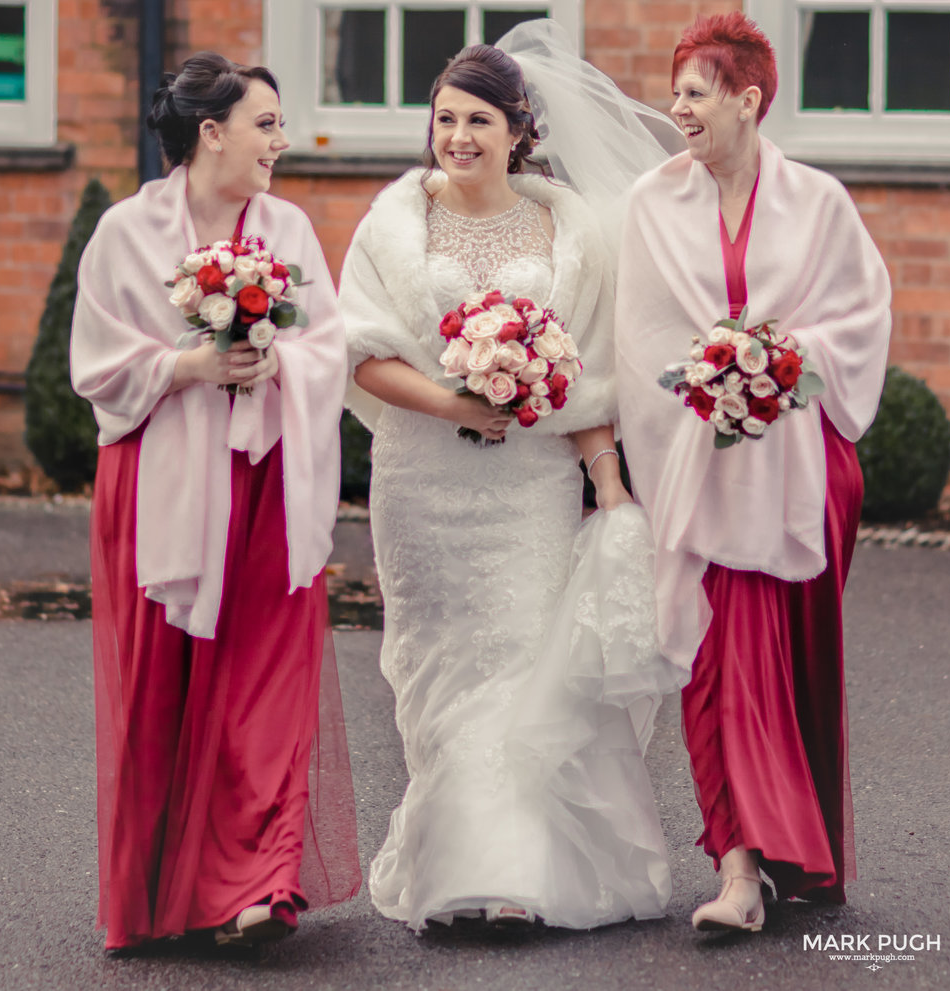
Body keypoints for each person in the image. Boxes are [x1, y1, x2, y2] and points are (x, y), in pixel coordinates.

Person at [339, 23, 684, 932]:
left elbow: (594, 376)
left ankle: (506, 875)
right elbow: (362, 354)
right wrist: (456, 405)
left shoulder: (570, 234)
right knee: (438, 670)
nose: (458, 137)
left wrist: (608, 486)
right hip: (421, 482)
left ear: (518, 129)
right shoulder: (392, 224)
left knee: (524, 666)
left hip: (528, 487)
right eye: (446, 118)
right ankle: (454, 862)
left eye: (478, 120)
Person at [71, 52, 360, 952]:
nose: (280, 141)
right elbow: (95, 365)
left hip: (271, 478)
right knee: (161, 689)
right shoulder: (124, 233)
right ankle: (164, 893)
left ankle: (261, 881)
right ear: (212, 133)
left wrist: (281, 360)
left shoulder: (291, 231)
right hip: (160, 481)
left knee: (267, 686)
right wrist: (186, 365)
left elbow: (332, 345)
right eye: (266, 124)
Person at [615, 13, 891, 933]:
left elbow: (860, 321)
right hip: (701, 463)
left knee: (786, 664)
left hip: (802, 468)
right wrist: (710, 379)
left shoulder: (820, 203)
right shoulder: (653, 203)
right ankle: (738, 868)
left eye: (696, 94)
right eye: (676, 90)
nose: (677, 108)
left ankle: (791, 853)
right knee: (715, 659)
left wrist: (776, 359)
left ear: (748, 100)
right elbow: (642, 336)